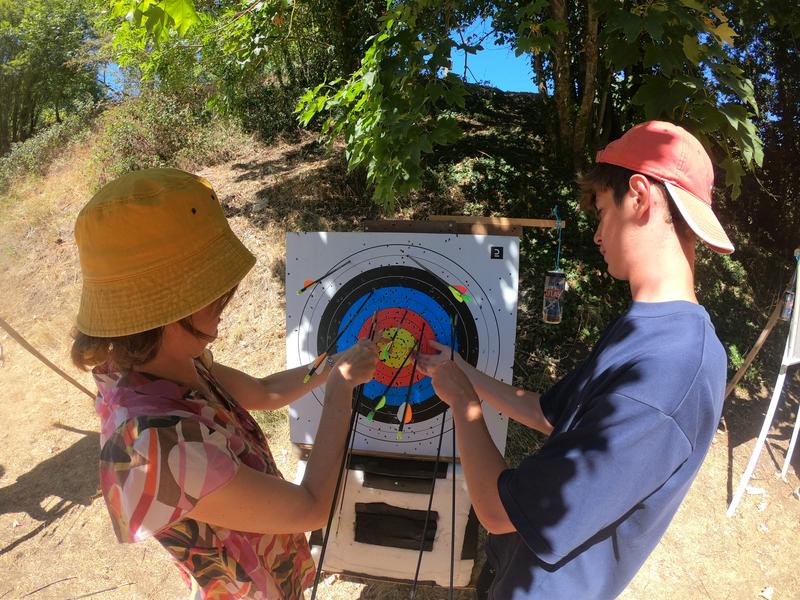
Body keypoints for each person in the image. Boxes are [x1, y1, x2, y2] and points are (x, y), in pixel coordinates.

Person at [418, 121, 730, 599]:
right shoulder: (651, 327)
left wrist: (464, 403)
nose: (598, 234)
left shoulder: (671, 368)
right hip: (518, 571)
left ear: (641, 197)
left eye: (603, 212)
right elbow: (550, 413)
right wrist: (466, 373)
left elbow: (497, 513)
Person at [70, 168, 377, 599]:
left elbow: (265, 392)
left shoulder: (165, 361)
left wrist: (328, 368)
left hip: (265, 567)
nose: (224, 300)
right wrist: (341, 390)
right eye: (212, 292)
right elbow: (310, 507)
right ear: (165, 309)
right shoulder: (158, 449)